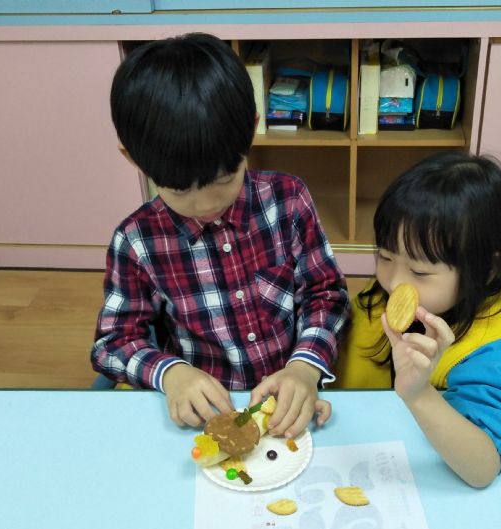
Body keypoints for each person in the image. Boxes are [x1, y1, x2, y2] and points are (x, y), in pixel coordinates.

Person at [91, 33, 348, 439]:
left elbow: (327, 294)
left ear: (252, 130)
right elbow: (113, 341)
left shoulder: (288, 200)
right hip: (203, 416)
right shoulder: (136, 241)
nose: (205, 204)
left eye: (225, 178)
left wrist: (304, 367)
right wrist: (170, 373)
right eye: (179, 190)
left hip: (290, 401)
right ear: (132, 158)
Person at [335, 151, 501, 487]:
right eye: (385, 256)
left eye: (419, 271)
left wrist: (419, 394)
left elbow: (482, 467)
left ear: (487, 269)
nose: (394, 283)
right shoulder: (394, 293)